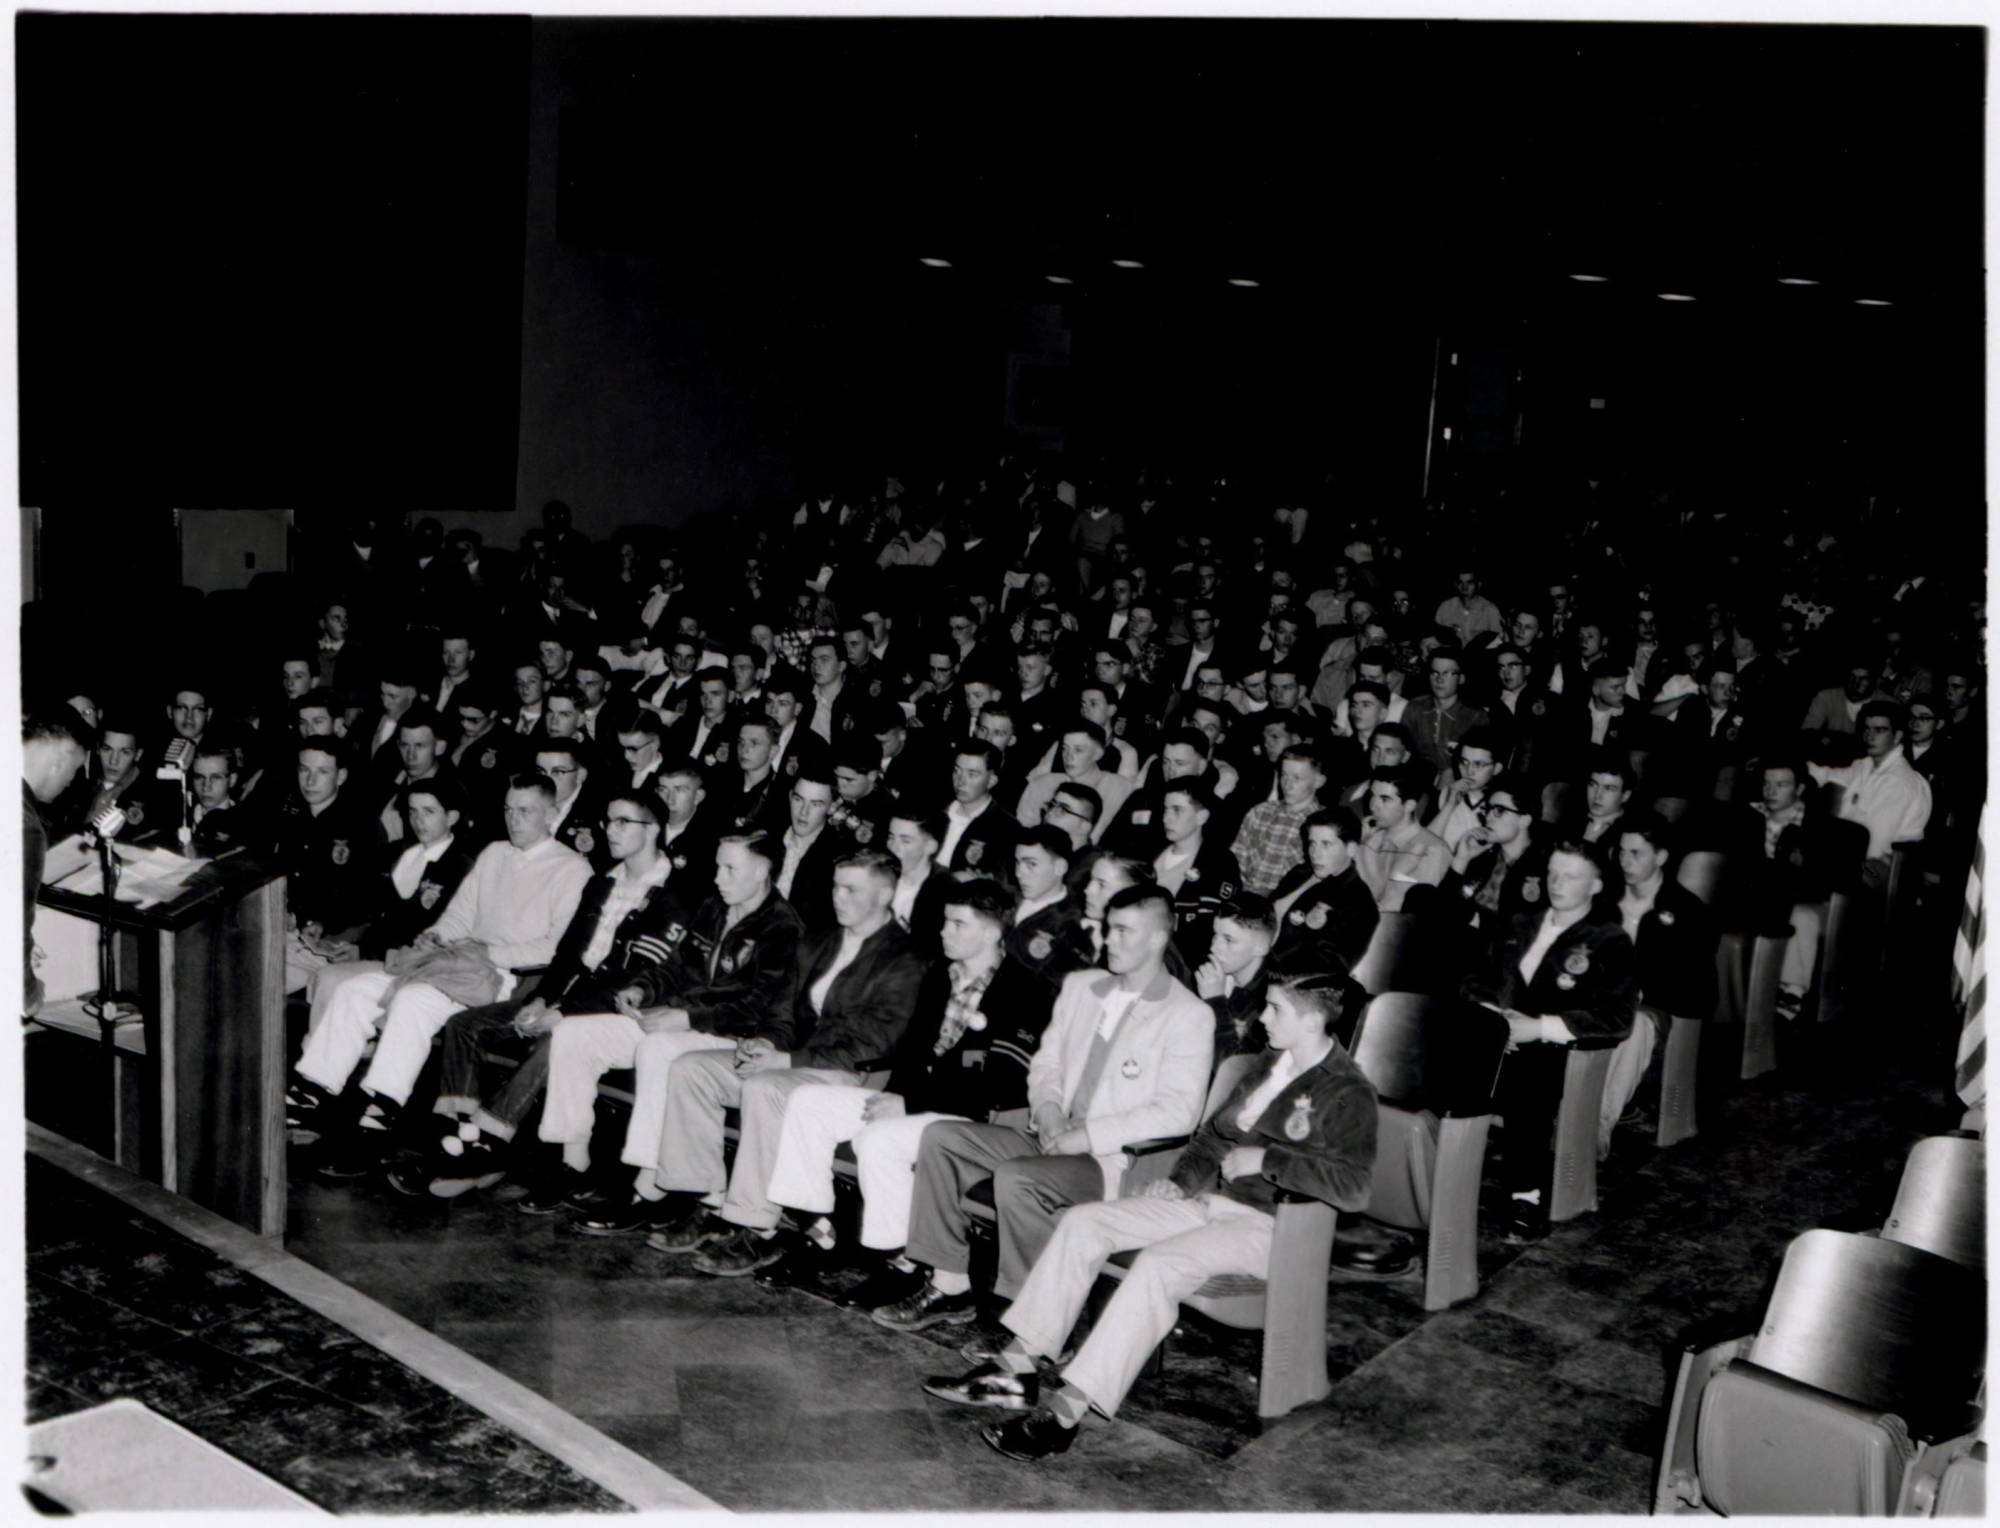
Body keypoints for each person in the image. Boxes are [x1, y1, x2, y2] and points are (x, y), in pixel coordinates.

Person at [925, 978, 1376, 1462]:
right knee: (1084, 1223)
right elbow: (1211, 1139)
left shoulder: (1348, 1090)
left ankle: (1065, 1413)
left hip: (1272, 1228)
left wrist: (1267, 1162)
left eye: (1275, 1009)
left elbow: (1353, 1188)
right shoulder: (1270, 1066)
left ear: (1311, 1021)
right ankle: (1014, 1368)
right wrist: (1179, 1183)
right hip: (1207, 1206)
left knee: (1159, 1264)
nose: (1263, 1019)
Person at [873, 885, 1213, 1329]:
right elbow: (1045, 1063)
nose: (1110, 940)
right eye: (1109, 929)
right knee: (940, 1138)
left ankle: (1023, 1318)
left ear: (1158, 938)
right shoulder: (1081, 986)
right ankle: (950, 1284)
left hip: (1112, 1160)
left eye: (1125, 932)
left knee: (1019, 1178)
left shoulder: (1187, 1014)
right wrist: (1049, 1108)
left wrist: (1086, 1135)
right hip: (1045, 1134)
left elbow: (1178, 1112)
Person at [754, 878, 1059, 1297]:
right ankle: (822, 1230)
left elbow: (999, 1080)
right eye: (945, 922)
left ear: (991, 931)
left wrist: (909, 1103)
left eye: (957, 924)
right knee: (807, 1101)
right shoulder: (939, 975)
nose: (943, 931)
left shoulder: (1025, 989)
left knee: (880, 1139)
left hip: (967, 1116)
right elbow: (912, 1049)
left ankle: (903, 1261)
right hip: (913, 1100)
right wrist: (896, 1096)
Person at [646, 851, 928, 1275]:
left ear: (886, 893)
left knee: (767, 1088)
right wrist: (763, 1044)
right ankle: (707, 1202)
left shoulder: (906, 958)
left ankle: (758, 1228)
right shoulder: (819, 940)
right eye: (836, 886)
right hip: (797, 1061)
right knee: (693, 1068)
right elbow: (782, 1011)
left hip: (856, 1074)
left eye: (852, 889)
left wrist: (785, 1059)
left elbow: (872, 1042)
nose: (839, 896)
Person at [398, 790, 691, 1198]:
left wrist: (563, 1012)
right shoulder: (603, 882)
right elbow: (568, 954)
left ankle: (490, 1143)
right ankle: (458, 1137)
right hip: (570, 998)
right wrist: (541, 998)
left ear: (654, 829)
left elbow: (637, 977)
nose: (611, 830)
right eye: (609, 821)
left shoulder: (675, 894)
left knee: (555, 1040)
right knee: (465, 1025)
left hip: (615, 1011)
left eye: (625, 822)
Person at [305, 772, 592, 1176]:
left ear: (553, 812)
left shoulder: (571, 868)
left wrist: (487, 950)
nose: (513, 819)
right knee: (356, 989)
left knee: (413, 1000)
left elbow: (555, 947)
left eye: (525, 811)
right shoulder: (494, 853)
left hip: (502, 976)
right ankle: (316, 1090)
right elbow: (460, 914)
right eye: (509, 810)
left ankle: (381, 1114)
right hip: (455, 962)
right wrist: (434, 936)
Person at [549, 832, 805, 1232]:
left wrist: (688, 1019)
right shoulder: (714, 907)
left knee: (657, 1049)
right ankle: (574, 1163)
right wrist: (642, 989)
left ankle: (649, 1186)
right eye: (718, 866)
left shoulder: (782, 927)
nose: (718, 877)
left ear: (761, 871)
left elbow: (760, 1006)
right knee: (574, 1035)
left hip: (727, 1034)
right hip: (679, 1021)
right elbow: (674, 967)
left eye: (729, 868)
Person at [1461, 840, 1636, 1240]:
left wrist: (1540, 1028)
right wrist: (1497, 1019)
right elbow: (1474, 978)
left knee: (1530, 1074)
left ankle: (1527, 1193)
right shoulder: (1519, 922)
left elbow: (1617, 1018)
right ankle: (1434, 1169)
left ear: (1595, 885)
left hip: (1555, 1048)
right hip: (1498, 1035)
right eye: (1553, 873)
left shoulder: (1609, 940)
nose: (1556, 883)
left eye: (1570, 876)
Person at [1806, 700, 1933, 891]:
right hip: (1851, 856)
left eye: (1879, 730)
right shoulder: (1865, 765)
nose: (1870, 735)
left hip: (1879, 873)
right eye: (1867, 728)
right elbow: (1827, 775)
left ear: (1897, 736)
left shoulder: (1898, 781)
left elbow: (1874, 844)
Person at [23, 709, 92, 1015]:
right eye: (75, 770)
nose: (70, 783)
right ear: (62, 758)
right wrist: (28, 994)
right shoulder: (25, 825)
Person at [1267, 806, 1379, 979]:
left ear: (1351, 849)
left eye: (1326, 844)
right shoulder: (1299, 873)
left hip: (1285, 986)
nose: (1315, 854)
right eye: (1312, 843)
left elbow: (1327, 967)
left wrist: (1262, 970)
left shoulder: (1359, 902)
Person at [1355, 763, 1450, 912]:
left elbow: (1403, 909)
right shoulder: (1370, 839)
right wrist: (1360, 847)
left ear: (1409, 805)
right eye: (1372, 796)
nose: (1373, 806)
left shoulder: (1432, 850)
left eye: (1385, 799)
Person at [1193, 895, 1280, 1056]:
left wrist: (1215, 1002)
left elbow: (1235, 1072)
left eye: (1228, 940)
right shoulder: (1212, 969)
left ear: (1260, 947)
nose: (1214, 947)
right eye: (1215, 935)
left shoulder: (1272, 1000)